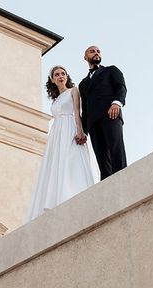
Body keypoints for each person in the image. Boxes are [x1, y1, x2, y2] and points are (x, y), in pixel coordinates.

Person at [26, 66, 94, 221]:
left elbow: (77, 111)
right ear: (52, 79)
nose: (60, 76)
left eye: (63, 73)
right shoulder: (55, 99)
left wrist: (80, 131)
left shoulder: (73, 91)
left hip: (70, 127)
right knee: (56, 163)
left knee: (72, 158)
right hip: (56, 132)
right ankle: (56, 197)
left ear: (66, 76)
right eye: (57, 74)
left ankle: (71, 193)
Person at [78, 46, 127, 180]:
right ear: (85, 57)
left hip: (111, 115)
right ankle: (106, 187)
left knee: (116, 150)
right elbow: (85, 108)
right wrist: (83, 131)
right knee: (102, 160)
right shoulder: (82, 84)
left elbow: (121, 88)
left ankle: (123, 179)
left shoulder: (111, 70)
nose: (96, 53)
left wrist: (116, 103)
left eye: (98, 51)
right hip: (93, 123)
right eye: (92, 51)